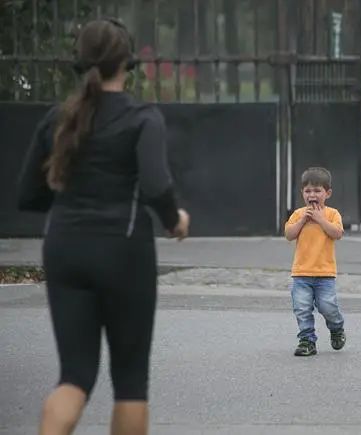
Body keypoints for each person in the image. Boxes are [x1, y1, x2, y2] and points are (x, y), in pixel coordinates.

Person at [17, 18, 189, 435]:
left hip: (64, 250)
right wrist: (175, 220)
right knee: (130, 381)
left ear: (79, 64)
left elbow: (29, 194)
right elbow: (155, 184)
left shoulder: (59, 118)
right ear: (127, 63)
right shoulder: (142, 118)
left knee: (74, 377)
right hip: (124, 253)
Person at [284, 167, 346, 357]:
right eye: (308, 191)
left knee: (328, 306)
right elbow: (289, 234)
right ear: (302, 193)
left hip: (325, 274)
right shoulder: (298, 214)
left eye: (317, 191)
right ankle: (307, 340)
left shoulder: (332, 214)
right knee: (302, 308)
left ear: (327, 193)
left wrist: (320, 219)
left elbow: (337, 233)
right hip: (301, 273)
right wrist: (303, 219)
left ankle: (336, 328)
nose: (312, 194)